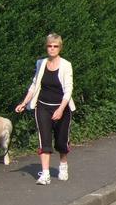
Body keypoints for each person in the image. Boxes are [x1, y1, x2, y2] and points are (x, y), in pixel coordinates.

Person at [15, 33, 75, 186]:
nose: (52, 49)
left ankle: (63, 166)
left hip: (62, 107)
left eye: (55, 46)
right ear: (46, 47)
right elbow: (35, 85)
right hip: (42, 106)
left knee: (61, 141)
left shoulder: (66, 65)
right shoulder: (40, 63)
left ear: (60, 48)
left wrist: (61, 109)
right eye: (50, 46)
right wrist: (24, 102)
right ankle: (45, 174)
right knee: (44, 139)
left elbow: (68, 90)